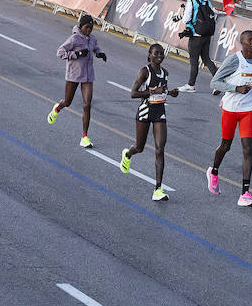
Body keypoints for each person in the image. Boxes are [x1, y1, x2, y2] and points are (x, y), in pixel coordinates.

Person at [207, 29, 252, 207]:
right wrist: (236, 88)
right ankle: (213, 171)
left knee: (248, 150)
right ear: (242, 42)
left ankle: (245, 193)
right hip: (231, 109)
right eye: (250, 40)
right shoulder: (234, 60)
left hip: (248, 110)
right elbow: (214, 82)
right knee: (226, 145)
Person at [120, 43, 178, 202]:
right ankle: (128, 153)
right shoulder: (144, 71)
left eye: (161, 54)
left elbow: (163, 90)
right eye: (156, 53)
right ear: (150, 54)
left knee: (160, 148)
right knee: (140, 147)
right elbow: (133, 93)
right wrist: (153, 91)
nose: (159, 56)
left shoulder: (165, 73)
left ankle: (158, 189)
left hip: (159, 112)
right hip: (145, 111)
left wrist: (170, 92)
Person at [48, 13, 106, 149]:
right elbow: (60, 52)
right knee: (67, 102)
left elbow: (95, 48)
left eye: (91, 27)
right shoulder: (74, 39)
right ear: (81, 26)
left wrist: (99, 53)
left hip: (88, 76)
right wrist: (77, 54)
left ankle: (84, 136)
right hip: (74, 75)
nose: (89, 30)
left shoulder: (92, 39)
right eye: (87, 27)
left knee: (87, 105)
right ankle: (57, 108)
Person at [180, 0, 218, 92]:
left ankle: (191, 85)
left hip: (195, 35)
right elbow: (213, 14)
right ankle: (218, 84)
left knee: (194, 60)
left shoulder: (192, 0)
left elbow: (186, 19)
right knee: (206, 59)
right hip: (207, 34)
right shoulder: (207, 1)